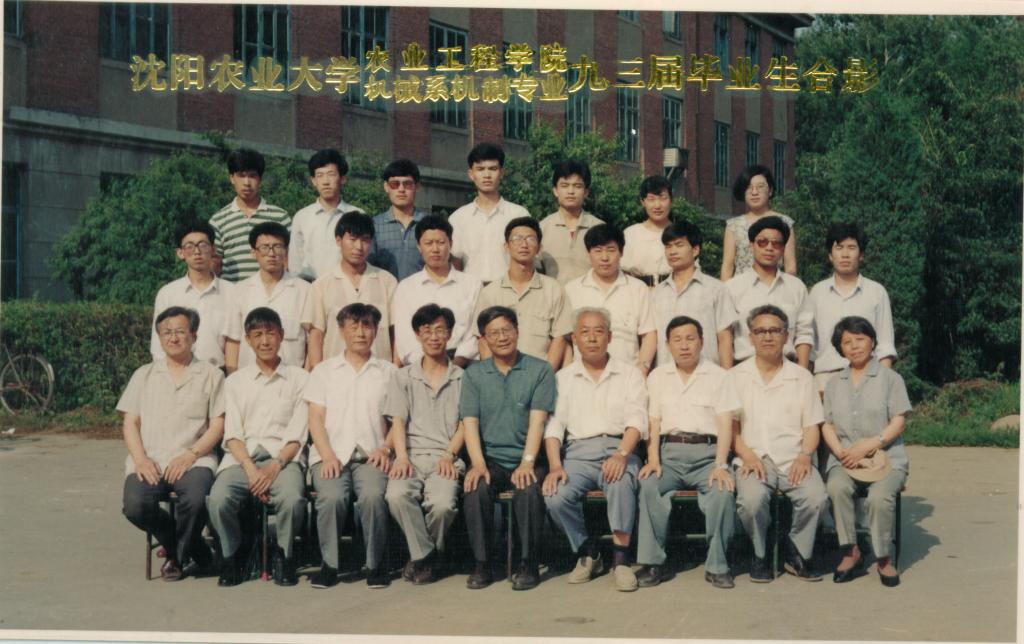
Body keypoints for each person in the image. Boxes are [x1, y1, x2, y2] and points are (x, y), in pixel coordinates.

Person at [542, 307, 647, 592]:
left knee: (620, 482)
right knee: (555, 494)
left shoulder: (629, 374)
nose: (591, 338)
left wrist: (621, 454)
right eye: (584, 332)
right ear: (574, 338)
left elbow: (637, 420)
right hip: (578, 454)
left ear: (609, 337)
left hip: (619, 447)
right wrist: (555, 466)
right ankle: (589, 553)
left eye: (598, 332)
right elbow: (554, 427)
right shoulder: (563, 378)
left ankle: (621, 560)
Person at [119, 306, 224, 581]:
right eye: (167, 332)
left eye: (180, 331)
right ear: (159, 337)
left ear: (194, 336)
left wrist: (191, 455)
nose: (173, 338)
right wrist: (141, 459)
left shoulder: (212, 375)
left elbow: (218, 424)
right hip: (151, 458)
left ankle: (175, 558)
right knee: (135, 506)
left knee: (196, 500)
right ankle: (192, 548)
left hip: (195, 459)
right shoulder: (143, 374)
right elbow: (130, 422)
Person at [207, 308, 309, 587]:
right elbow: (232, 435)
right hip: (242, 460)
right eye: (258, 335)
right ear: (248, 340)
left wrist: (275, 467)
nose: (265, 341)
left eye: (270, 333)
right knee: (218, 499)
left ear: (282, 335)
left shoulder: (300, 378)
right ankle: (233, 555)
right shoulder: (235, 382)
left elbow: (298, 433)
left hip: (284, 460)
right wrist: (252, 471)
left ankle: (285, 555)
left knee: (292, 498)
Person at [636, 315, 740, 589]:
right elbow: (653, 421)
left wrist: (720, 464)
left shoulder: (719, 376)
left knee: (722, 491)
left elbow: (725, 424)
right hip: (668, 455)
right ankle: (653, 563)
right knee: (648, 485)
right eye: (677, 340)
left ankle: (718, 565)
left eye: (690, 339)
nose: (684, 346)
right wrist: (653, 458)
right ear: (667, 344)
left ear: (702, 342)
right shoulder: (658, 376)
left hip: (707, 455)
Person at [460, 306, 556, 591]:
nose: (502, 338)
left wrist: (527, 462)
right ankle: (482, 563)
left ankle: (528, 563)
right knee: (475, 487)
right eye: (494, 333)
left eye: (506, 330)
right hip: (491, 459)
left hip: (528, 456)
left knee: (527, 487)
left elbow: (538, 421)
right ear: (483, 339)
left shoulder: (540, 369)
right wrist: (478, 463)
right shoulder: (474, 374)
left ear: (517, 331)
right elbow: (470, 423)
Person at [730, 304, 827, 582]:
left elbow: (811, 426)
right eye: (760, 331)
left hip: (793, 457)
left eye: (775, 330)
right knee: (751, 500)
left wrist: (805, 455)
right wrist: (748, 456)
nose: (768, 337)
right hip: (752, 458)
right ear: (750, 337)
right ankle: (759, 553)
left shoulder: (802, 377)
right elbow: (732, 430)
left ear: (787, 336)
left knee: (816, 498)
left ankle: (796, 551)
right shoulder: (736, 376)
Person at [305, 303, 397, 589]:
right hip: (330, 453)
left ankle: (375, 564)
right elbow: (315, 418)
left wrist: (386, 448)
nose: (360, 332)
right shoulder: (324, 371)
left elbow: (398, 420)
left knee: (372, 496)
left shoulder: (388, 371)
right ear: (341, 330)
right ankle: (330, 565)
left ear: (376, 330)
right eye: (353, 326)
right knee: (332, 497)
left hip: (372, 455)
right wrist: (327, 455)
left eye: (367, 325)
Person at [822, 316, 911, 587]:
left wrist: (870, 444)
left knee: (879, 498)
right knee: (836, 487)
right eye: (846, 342)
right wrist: (840, 451)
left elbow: (899, 421)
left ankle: (883, 558)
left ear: (872, 341)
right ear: (840, 348)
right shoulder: (834, 383)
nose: (854, 346)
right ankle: (851, 551)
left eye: (860, 339)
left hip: (887, 458)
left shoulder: (890, 379)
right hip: (846, 459)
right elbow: (827, 424)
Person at [384, 304, 466, 585]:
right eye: (427, 331)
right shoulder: (403, 376)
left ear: (450, 334)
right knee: (396, 495)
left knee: (443, 505)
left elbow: (465, 424)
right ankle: (429, 557)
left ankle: (419, 558)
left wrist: (449, 455)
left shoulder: (462, 378)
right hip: (411, 455)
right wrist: (401, 458)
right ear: (417, 336)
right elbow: (398, 421)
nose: (434, 336)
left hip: (446, 456)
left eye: (440, 330)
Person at [472, 216, 573, 371]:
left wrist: (545, 376)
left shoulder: (554, 289)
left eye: (530, 239)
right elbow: (483, 339)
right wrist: (494, 377)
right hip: (501, 376)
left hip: (540, 374)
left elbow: (560, 338)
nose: (524, 244)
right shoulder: (490, 292)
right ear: (506, 246)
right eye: (517, 239)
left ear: (539, 248)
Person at [809, 223, 897, 393]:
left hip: (868, 378)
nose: (845, 254)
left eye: (851, 248)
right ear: (830, 255)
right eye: (839, 248)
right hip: (825, 379)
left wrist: (881, 385)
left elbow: (885, 346)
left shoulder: (876, 292)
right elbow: (811, 347)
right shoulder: (816, 293)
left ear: (861, 254)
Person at [302, 212, 398, 367]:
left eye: (365, 240)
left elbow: (396, 333)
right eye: (352, 239)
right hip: (335, 374)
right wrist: (318, 373)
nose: (359, 247)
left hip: (379, 373)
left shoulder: (387, 281)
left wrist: (396, 370)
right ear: (338, 240)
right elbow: (316, 336)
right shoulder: (321, 285)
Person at [564, 224, 657, 375]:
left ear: (621, 252)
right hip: (582, 376)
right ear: (588, 253)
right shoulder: (572, 289)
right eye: (598, 250)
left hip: (628, 376)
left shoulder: (638, 288)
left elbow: (648, 334)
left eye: (611, 250)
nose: (604, 257)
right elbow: (566, 339)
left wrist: (642, 369)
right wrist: (568, 373)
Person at [392, 215, 481, 367]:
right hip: (418, 368)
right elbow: (405, 338)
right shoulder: (406, 287)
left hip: (462, 367)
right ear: (419, 246)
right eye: (428, 243)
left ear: (450, 244)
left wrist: (453, 366)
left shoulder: (472, 284)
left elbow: (474, 334)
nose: (435, 249)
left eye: (441, 242)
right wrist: (429, 367)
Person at [726, 216, 813, 368]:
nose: (769, 248)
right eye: (762, 242)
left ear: (783, 249)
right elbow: (725, 336)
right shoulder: (732, 288)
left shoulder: (796, 287)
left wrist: (802, 372)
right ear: (751, 245)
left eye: (776, 243)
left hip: (788, 368)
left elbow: (804, 333)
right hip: (744, 369)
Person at [224, 222, 312, 372]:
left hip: (291, 379)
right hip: (248, 379)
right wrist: (233, 378)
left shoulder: (305, 290)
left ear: (286, 251)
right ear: (254, 252)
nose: (272, 253)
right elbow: (233, 341)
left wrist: (305, 378)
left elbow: (312, 343)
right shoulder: (239, 291)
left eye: (277, 247)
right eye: (265, 247)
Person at [653, 220, 737, 368]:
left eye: (679, 245)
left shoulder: (716, 289)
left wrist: (726, 376)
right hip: (666, 375)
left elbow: (725, 338)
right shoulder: (657, 293)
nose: (672, 251)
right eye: (668, 246)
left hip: (707, 374)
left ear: (695, 250)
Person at [150, 219, 234, 369]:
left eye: (203, 245)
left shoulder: (231, 292)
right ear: (180, 253)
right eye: (189, 246)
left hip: (219, 374)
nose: (197, 252)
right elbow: (158, 347)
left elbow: (235, 343)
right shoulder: (167, 294)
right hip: (178, 373)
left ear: (213, 249)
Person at [448, 142, 530, 284]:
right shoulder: (458, 218)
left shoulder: (519, 215)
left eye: (493, 169)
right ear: (471, 174)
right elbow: (454, 262)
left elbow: (529, 260)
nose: (487, 175)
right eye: (480, 169)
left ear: (502, 173)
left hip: (508, 289)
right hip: (471, 291)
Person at [209, 148, 291, 283]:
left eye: (252, 176)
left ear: (260, 179)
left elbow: (289, 260)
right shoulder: (218, 220)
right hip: (232, 292)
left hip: (272, 291)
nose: (247, 183)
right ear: (232, 178)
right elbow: (214, 264)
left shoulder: (280, 217)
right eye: (241, 175)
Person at [289, 149, 365, 282]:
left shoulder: (358, 215)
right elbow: (295, 263)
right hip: (310, 288)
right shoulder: (302, 217)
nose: (325, 181)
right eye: (320, 175)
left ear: (342, 179)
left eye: (331, 174)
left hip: (347, 286)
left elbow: (364, 256)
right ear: (313, 180)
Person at [720, 165, 796, 280]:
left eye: (760, 187)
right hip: (741, 289)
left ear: (770, 191)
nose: (754, 192)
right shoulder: (733, 226)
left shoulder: (785, 223)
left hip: (774, 287)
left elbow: (790, 267)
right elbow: (727, 266)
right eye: (748, 187)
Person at [538, 160, 605, 285]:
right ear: (555, 190)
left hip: (590, 295)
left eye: (577, 186)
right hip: (553, 296)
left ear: (586, 192)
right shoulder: (542, 228)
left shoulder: (600, 228)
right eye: (564, 185)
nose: (570, 191)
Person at [368, 159, 429, 281]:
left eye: (407, 184)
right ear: (386, 187)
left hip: (423, 291)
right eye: (395, 184)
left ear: (417, 186)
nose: (401, 189)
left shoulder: (430, 224)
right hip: (385, 292)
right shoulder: (374, 225)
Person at [621, 175, 673, 286]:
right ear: (643, 202)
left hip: (674, 292)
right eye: (651, 199)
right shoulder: (631, 234)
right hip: (637, 292)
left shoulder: (681, 233)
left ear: (671, 201)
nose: (657, 205)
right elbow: (621, 273)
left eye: (663, 198)